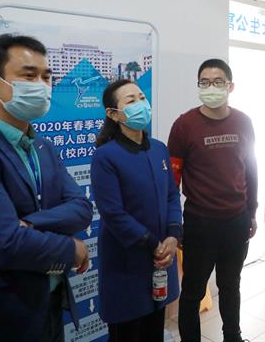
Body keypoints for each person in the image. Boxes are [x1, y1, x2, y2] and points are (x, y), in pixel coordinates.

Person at [0, 34, 93, 342]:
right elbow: (4, 243)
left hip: (50, 305)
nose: (42, 85)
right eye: (29, 76)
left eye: (46, 77)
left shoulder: (43, 146)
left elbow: (81, 207)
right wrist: (72, 249)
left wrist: (29, 224)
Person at [168, 58, 257, 342]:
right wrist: (174, 225)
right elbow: (172, 182)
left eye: (218, 82)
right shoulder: (184, 125)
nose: (211, 87)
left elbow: (251, 170)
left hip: (236, 220)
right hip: (200, 223)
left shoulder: (243, 122)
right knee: (192, 291)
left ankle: (233, 336)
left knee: (231, 285)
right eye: (204, 82)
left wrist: (252, 211)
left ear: (230, 86)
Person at [91, 79, 182, 342]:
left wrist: (173, 235)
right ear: (113, 114)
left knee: (154, 329)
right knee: (127, 332)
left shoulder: (159, 149)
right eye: (131, 101)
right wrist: (154, 244)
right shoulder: (105, 156)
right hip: (126, 263)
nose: (140, 104)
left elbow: (171, 195)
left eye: (142, 98)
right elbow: (113, 213)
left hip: (162, 259)